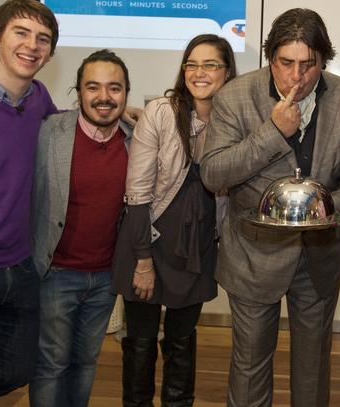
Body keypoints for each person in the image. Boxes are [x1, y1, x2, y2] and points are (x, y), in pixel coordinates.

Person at [200, 8, 340, 407]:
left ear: (323, 61)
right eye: (286, 63)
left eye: (308, 65)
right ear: (270, 58)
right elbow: (213, 173)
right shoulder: (234, 97)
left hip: (320, 256)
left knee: (313, 368)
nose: (297, 76)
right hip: (252, 256)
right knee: (250, 365)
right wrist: (273, 132)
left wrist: (328, 208)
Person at [112, 34, 236, 407]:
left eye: (210, 64)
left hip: (197, 248)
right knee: (140, 341)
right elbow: (137, 191)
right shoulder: (162, 112)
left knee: (182, 340)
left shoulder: (234, 120)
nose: (199, 73)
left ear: (227, 72)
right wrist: (143, 260)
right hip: (147, 241)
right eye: (192, 64)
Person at [0, 0, 59, 406]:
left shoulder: (37, 98)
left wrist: (123, 112)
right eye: (21, 33)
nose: (32, 45)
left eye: (43, 39)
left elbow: (67, 130)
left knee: (16, 371)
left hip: (20, 267)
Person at [29, 49, 132, 407]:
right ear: (78, 92)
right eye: (93, 87)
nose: (104, 97)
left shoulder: (138, 140)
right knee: (51, 365)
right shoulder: (48, 133)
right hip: (56, 274)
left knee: (86, 362)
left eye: (114, 88)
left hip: (105, 277)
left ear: (126, 94)